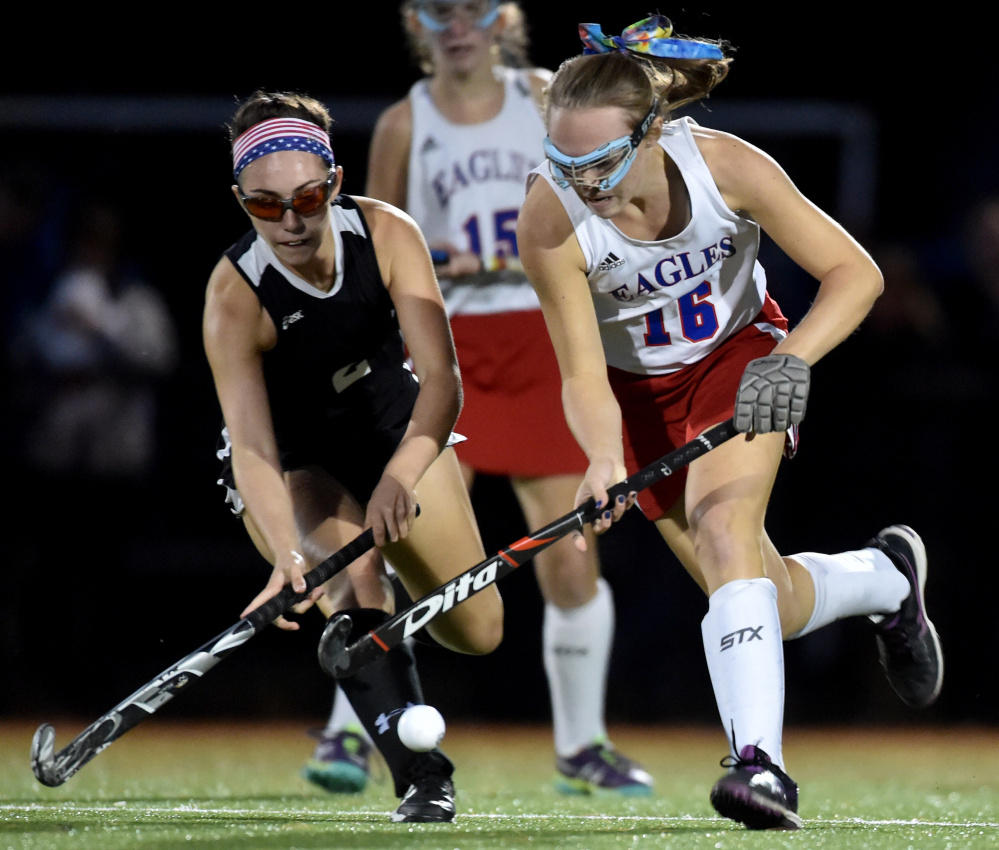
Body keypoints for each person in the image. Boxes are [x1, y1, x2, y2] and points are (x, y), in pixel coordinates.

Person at [516, 15, 944, 830]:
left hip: (736, 361)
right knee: (760, 599)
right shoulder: (547, 222)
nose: (582, 183)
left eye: (600, 162)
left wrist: (790, 361)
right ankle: (884, 579)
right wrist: (601, 458)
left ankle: (761, 769)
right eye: (563, 163)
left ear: (651, 131)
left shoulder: (725, 166)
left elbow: (854, 273)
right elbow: (580, 371)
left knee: (724, 534)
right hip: (634, 399)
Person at [301, 0, 653, 798]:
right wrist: (431, 262)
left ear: (502, 19)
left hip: (538, 337)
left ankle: (581, 746)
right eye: (438, 12)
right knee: (403, 542)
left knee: (571, 552)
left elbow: (601, 193)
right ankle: (353, 729)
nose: (455, 26)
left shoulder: (547, 96)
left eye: (470, 9)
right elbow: (368, 246)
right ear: (415, 25)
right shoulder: (404, 122)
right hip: (445, 349)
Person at [203, 89, 505, 823]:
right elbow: (253, 446)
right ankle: (423, 779)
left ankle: (385, 629)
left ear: (335, 182)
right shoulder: (236, 295)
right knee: (354, 585)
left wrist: (399, 476)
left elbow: (442, 380)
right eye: (265, 205)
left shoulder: (387, 233)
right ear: (241, 200)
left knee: (478, 630)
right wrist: (286, 554)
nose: (290, 221)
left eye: (307, 198)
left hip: (391, 425)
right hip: (295, 458)